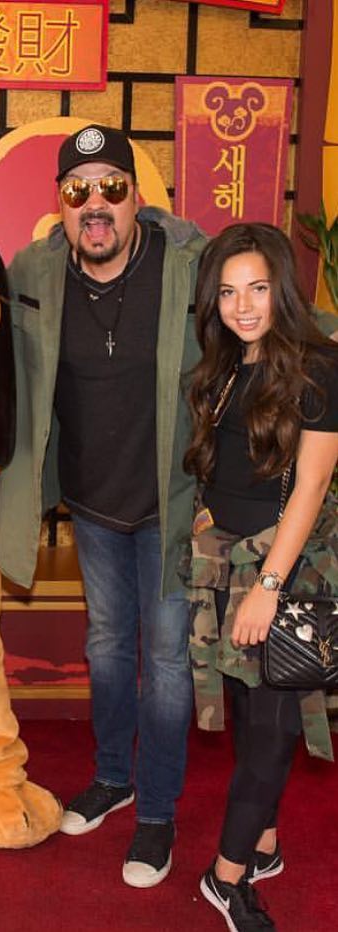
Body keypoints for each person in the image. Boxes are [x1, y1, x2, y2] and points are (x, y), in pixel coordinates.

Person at [0, 124, 207, 888]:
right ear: (61, 203)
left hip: (173, 500)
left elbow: (261, 330)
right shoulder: (35, 269)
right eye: (78, 191)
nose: (96, 206)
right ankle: (114, 776)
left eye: (111, 188)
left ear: (137, 198)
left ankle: (157, 813)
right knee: (108, 646)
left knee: (167, 659)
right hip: (90, 503)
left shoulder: (192, 263)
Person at [184, 223, 338, 931]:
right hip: (228, 566)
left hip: (285, 572)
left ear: (282, 288)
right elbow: (226, 467)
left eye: (257, 288)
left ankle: (227, 875)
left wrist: (268, 590)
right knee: (253, 722)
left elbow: (309, 486)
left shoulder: (317, 365)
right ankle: (266, 842)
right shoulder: (224, 365)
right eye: (226, 292)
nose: (243, 306)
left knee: (273, 729)